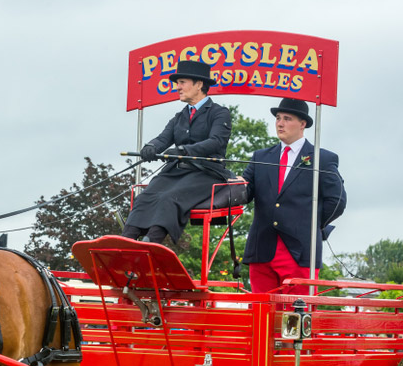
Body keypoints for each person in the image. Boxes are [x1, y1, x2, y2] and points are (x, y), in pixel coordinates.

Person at [122, 59, 234, 244]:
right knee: (145, 197)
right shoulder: (179, 117)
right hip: (177, 172)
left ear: (199, 84)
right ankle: (126, 242)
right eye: (178, 83)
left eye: (182, 82)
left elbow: (215, 142)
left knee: (168, 198)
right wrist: (150, 148)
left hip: (206, 172)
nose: (178, 87)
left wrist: (183, 150)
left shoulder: (219, 113)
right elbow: (163, 139)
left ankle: (151, 243)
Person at [241, 98, 347, 293]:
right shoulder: (261, 157)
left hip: (300, 253)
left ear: (303, 123)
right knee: (261, 316)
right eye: (278, 118)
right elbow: (244, 191)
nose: (280, 123)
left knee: (295, 319)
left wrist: (312, 225)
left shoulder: (322, 159)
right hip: (262, 251)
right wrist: (232, 184)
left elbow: (337, 200)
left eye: (287, 118)